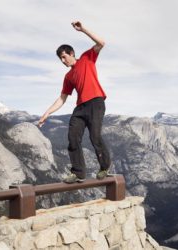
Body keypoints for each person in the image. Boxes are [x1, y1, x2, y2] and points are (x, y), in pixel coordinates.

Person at [38, 21, 111, 183]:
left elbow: (101, 43)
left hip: (96, 102)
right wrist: (47, 113)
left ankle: (105, 166)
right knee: (73, 137)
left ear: (71, 53)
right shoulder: (68, 77)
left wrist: (83, 29)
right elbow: (62, 98)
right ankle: (78, 172)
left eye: (64, 57)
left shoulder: (87, 58)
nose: (63, 61)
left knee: (95, 137)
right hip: (80, 107)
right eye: (60, 59)